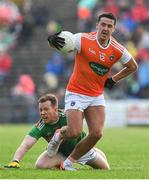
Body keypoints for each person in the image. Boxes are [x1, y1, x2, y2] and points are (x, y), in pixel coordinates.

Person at [47, 12, 138, 170]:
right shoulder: (83, 39)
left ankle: (68, 163)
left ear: (114, 29)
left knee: (96, 133)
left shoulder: (117, 49)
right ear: (97, 25)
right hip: (76, 91)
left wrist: (113, 79)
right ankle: (58, 135)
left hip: (96, 95)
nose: (105, 28)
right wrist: (52, 41)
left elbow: (132, 66)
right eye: (103, 24)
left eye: (109, 26)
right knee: (74, 132)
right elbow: (63, 42)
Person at [5, 93, 110, 170]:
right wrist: (15, 160)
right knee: (40, 165)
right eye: (40, 110)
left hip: (81, 150)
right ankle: (62, 163)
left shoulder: (68, 116)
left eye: (46, 109)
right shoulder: (41, 126)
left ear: (55, 109)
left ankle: (94, 150)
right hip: (61, 153)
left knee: (105, 169)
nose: (42, 113)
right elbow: (26, 144)